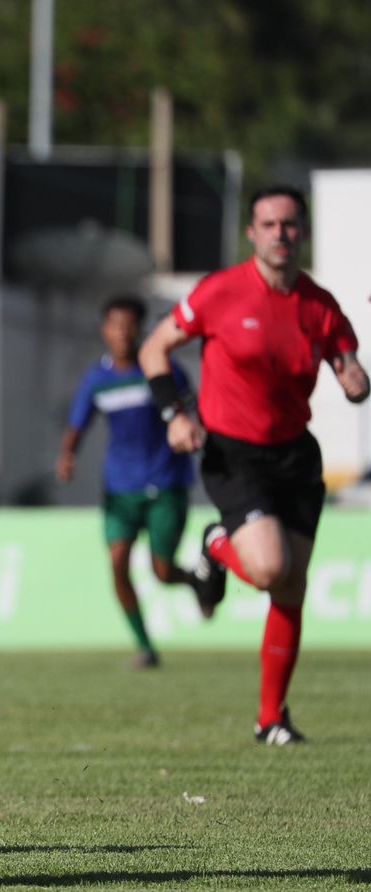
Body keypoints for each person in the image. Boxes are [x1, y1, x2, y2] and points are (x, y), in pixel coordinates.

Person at [138, 184, 368, 745]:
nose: (280, 234)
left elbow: (351, 373)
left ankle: (271, 720)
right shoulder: (219, 292)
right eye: (268, 224)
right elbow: (153, 349)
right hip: (233, 452)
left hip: (295, 455)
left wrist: (354, 377)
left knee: (291, 587)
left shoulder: (320, 305)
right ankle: (218, 543)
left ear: (303, 233)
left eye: (289, 225)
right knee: (268, 569)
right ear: (252, 233)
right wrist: (175, 412)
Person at [56, 295, 202, 669]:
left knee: (162, 571)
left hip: (165, 483)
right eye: (114, 324)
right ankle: (145, 648)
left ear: (140, 329)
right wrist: (67, 455)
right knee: (118, 562)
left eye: (129, 324)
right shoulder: (97, 379)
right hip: (120, 488)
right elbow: (77, 424)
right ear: (105, 330)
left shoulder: (160, 368)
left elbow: (192, 410)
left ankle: (198, 581)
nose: (122, 332)